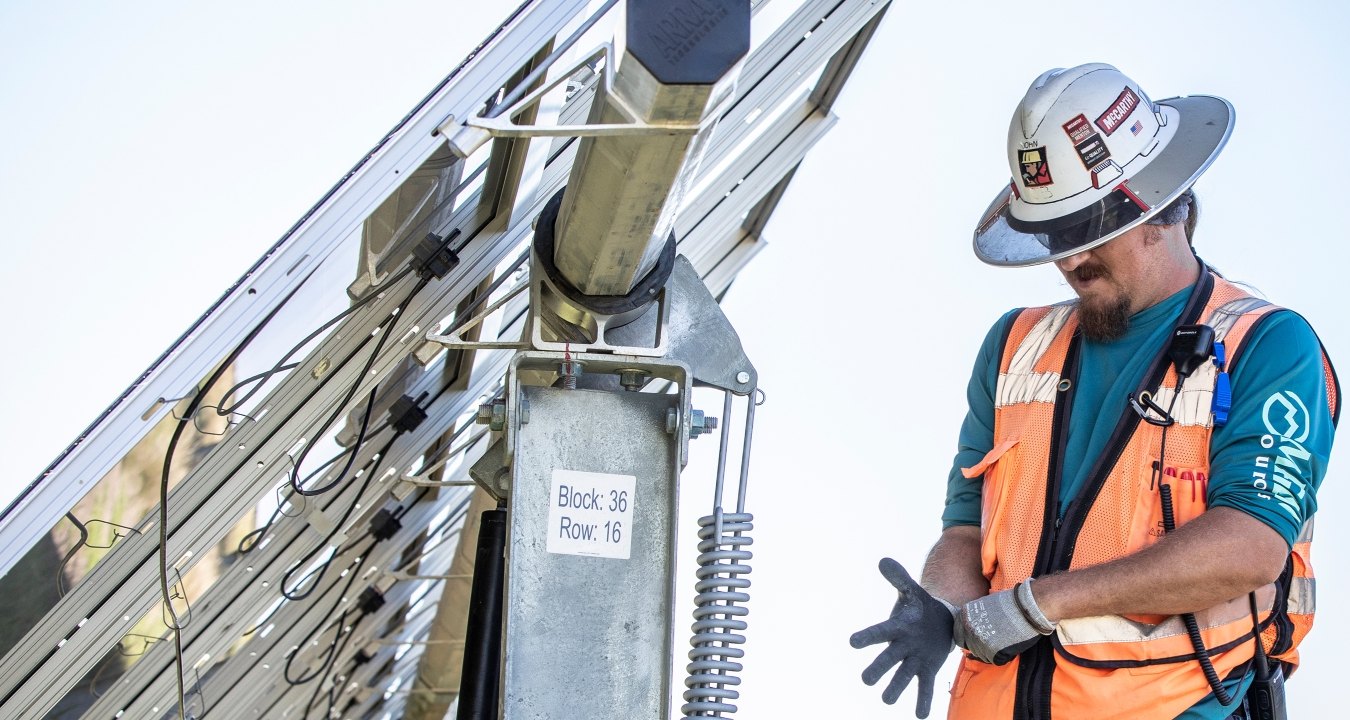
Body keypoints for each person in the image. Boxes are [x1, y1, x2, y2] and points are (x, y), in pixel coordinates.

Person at [850, 63, 1339, 720]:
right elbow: (966, 533)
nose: (1070, 260)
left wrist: (1039, 603)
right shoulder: (1012, 346)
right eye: (1057, 235)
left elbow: (1248, 550)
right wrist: (939, 604)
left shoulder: (1267, 346)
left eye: (1089, 230)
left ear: (1159, 202)